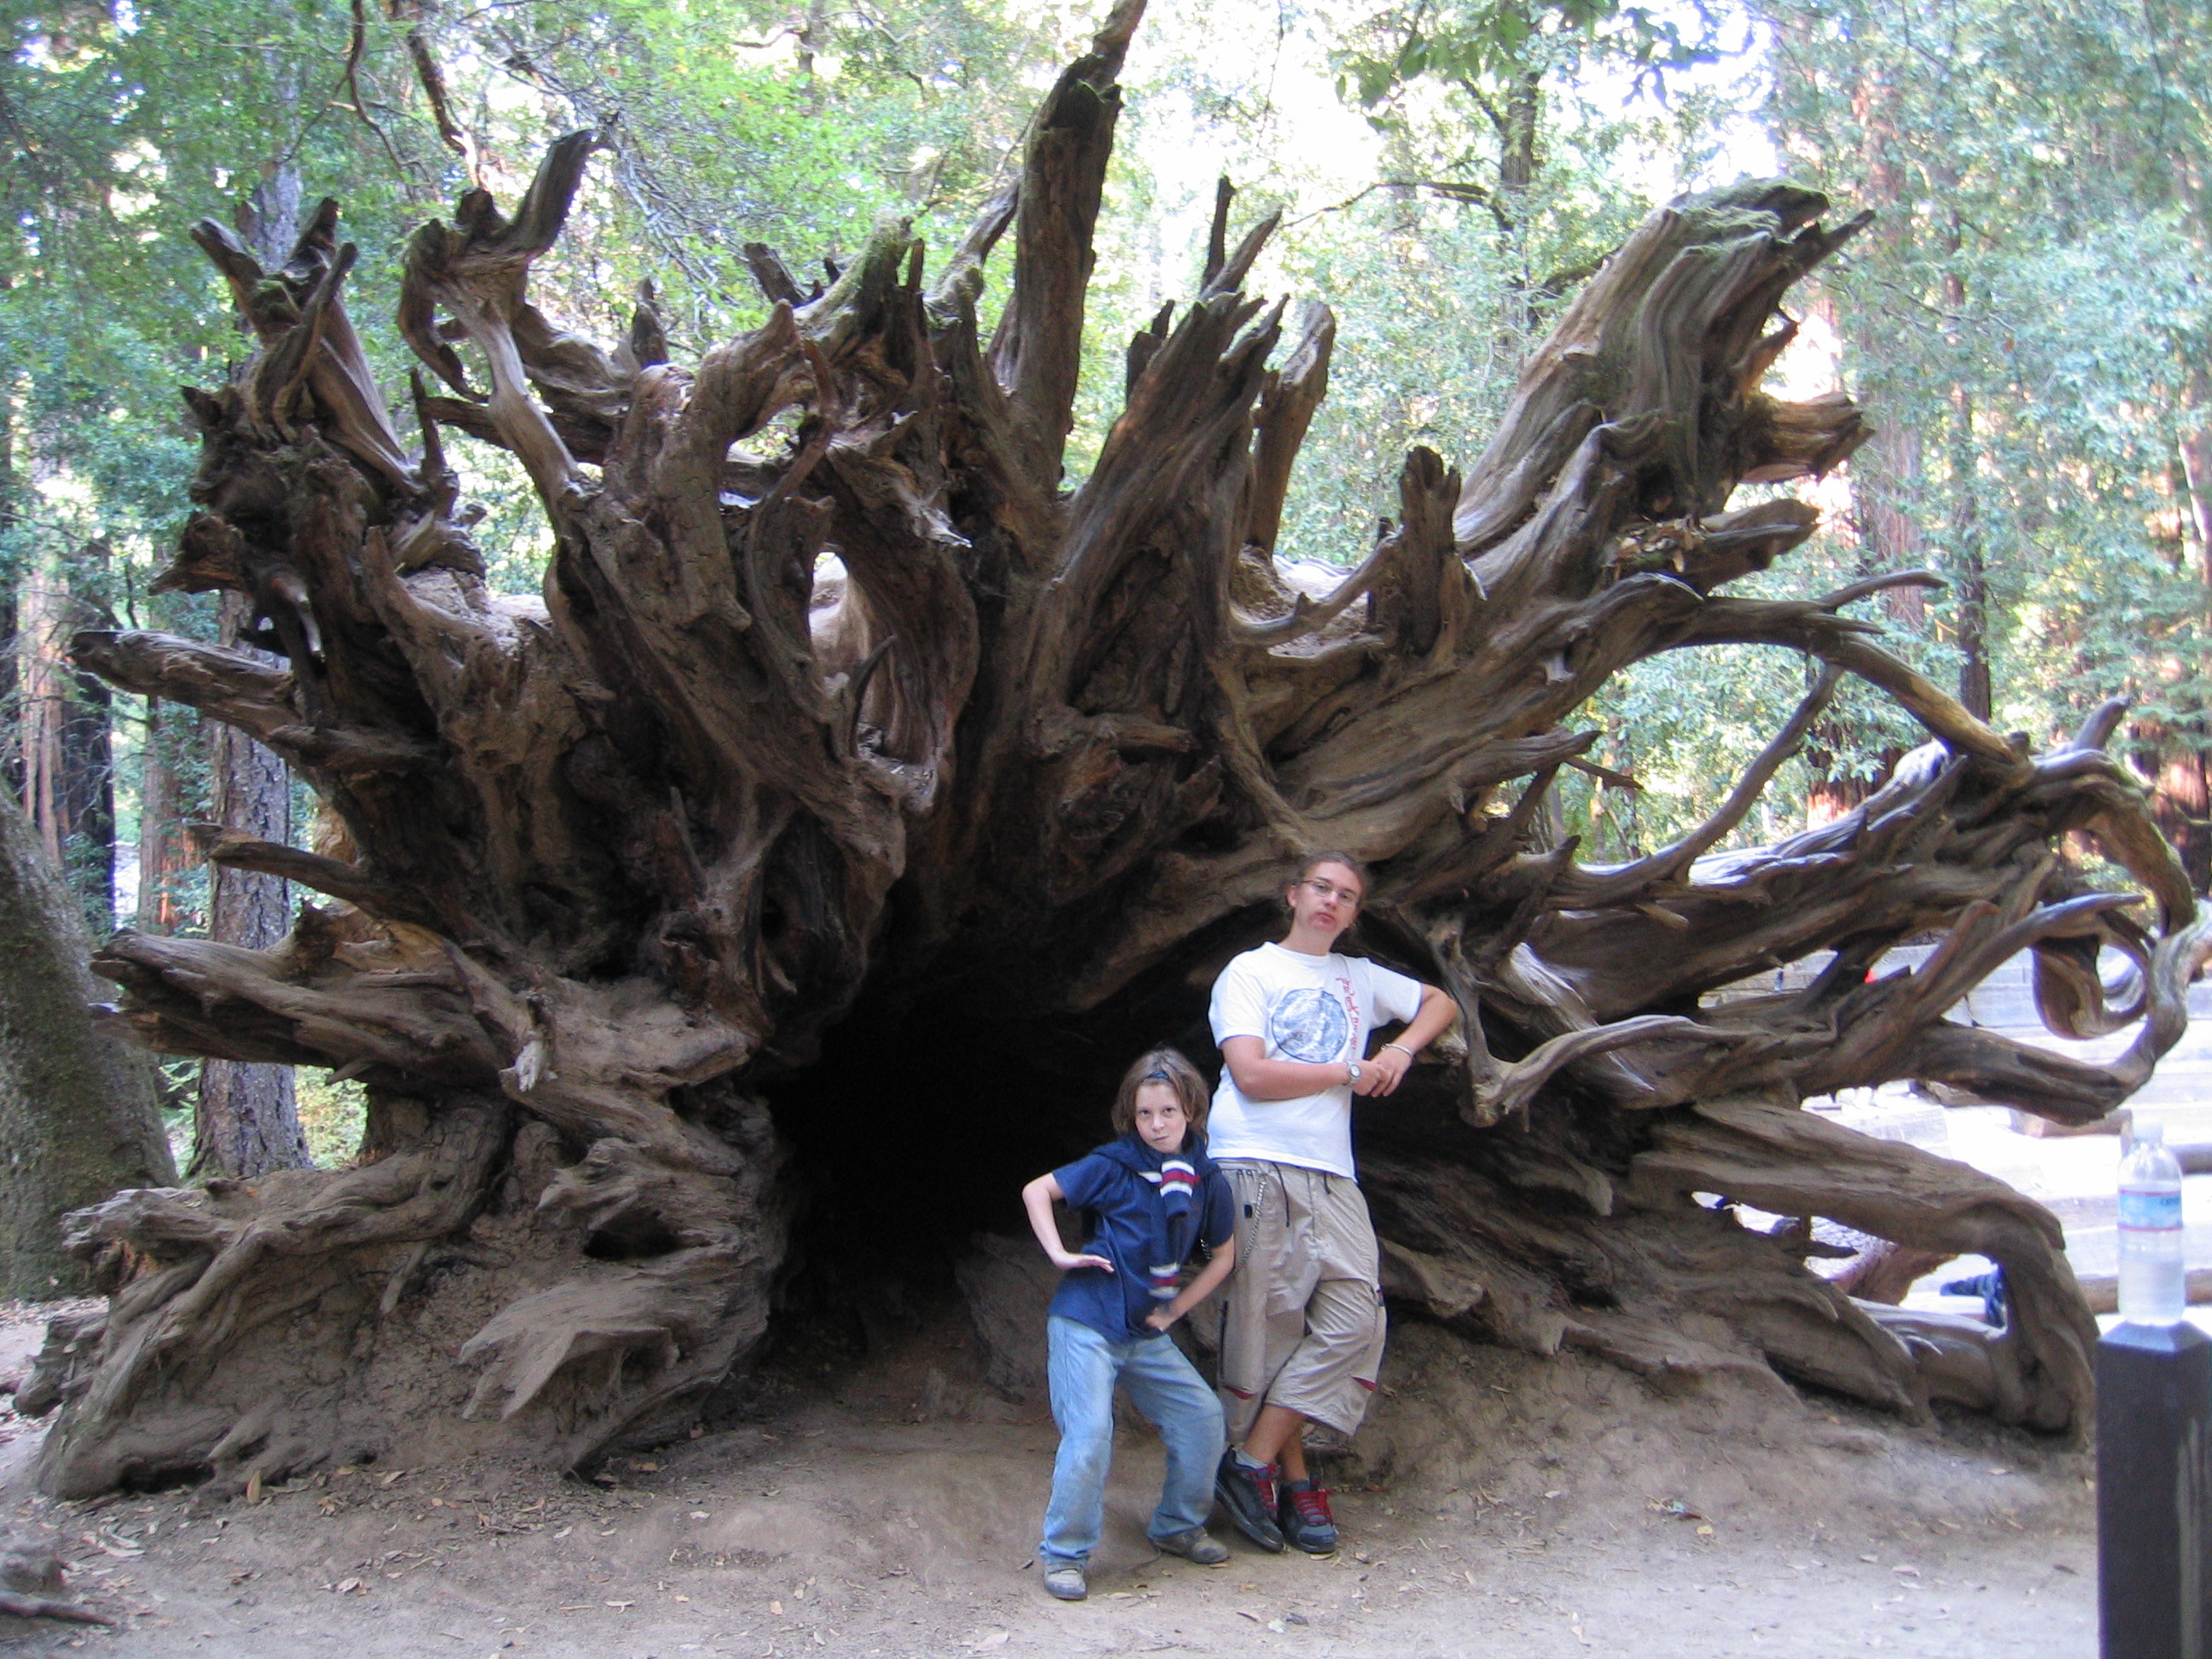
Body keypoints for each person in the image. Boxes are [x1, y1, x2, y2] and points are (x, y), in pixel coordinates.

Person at [1206, 852, 1458, 1556]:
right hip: (1254, 1158)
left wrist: (1400, 1051)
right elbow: (1251, 1075)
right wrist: (1350, 1068)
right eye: (1321, 888)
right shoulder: (1250, 971)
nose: (1331, 901)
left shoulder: (1358, 977)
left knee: (1355, 1319)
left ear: (1353, 913)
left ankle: (1250, 1461)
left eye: (1346, 896)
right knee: (1272, 1325)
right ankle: (1292, 1482)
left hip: (1330, 1171)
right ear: (1293, 895)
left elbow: (1439, 1002)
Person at [1021, 1048, 1242, 1602]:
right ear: (1131, 1116)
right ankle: (1065, 1555)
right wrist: (1059, 1253)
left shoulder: (1207, 1179)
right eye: (1145, 1113)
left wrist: (1176, 1309)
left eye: (1168, 1111)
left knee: (1201, 1416)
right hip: (1087, 1321)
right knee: (1091, 1434)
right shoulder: (1114, 1165)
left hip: (1143, 1331)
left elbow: (1224, 1256)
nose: (1157, 1124)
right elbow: (1038, 1190)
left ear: (1191, 1110)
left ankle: (1178, 1526)